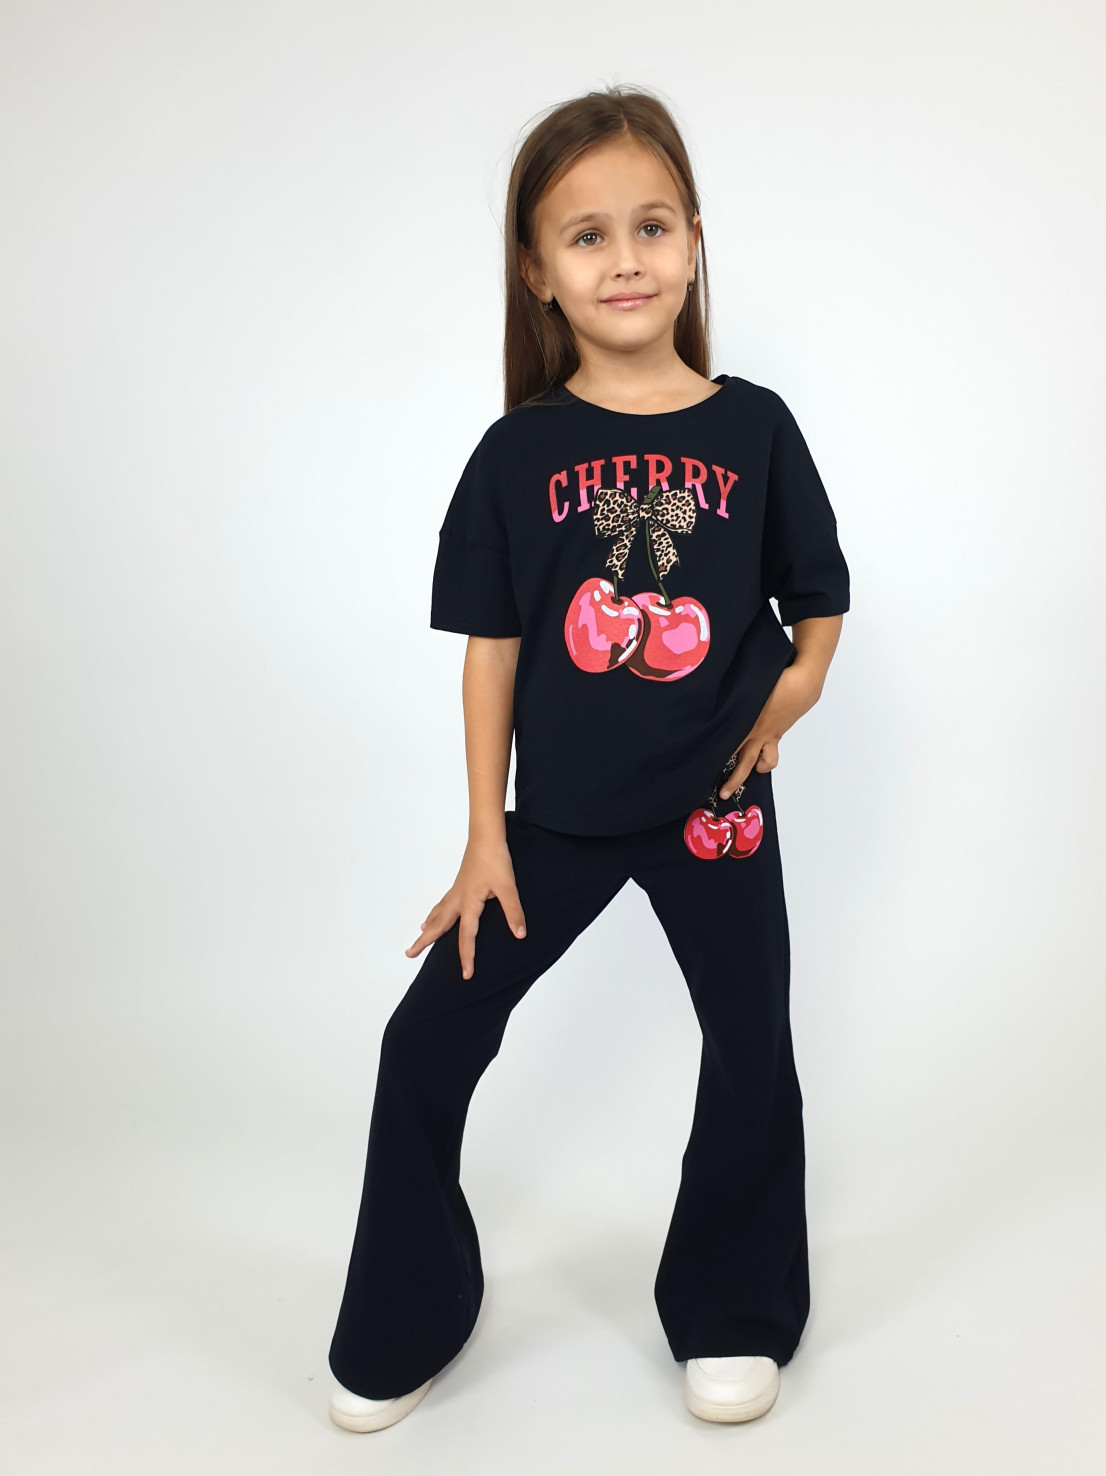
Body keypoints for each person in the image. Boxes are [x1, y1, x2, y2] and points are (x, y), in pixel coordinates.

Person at [326, 83, 850, 1434]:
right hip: (552, 822)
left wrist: (789, 699)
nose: (625, 259)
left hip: (717, 812)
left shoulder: (754, 427)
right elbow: (491, 653)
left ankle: (732, 1310)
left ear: (692, 243)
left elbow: (817, 600)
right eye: (586, 235)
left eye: (651, 226)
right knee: (425, 1042)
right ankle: (408, 1312)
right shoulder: (517, 452)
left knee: (749, 1049)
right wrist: (482, 836)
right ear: (535, 272)